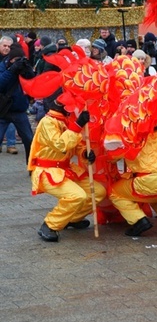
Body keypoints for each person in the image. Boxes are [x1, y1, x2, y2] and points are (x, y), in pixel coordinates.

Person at [28, 89, 107, 242]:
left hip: (65, 169)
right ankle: (50, 224)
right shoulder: (47, 122)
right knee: (76, 196)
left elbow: (76, 146)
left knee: (98, 192)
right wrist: (77, 125)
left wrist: (85, 153)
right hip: (48, 171)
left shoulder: (65, 121)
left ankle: (72, 218)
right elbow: (61, 145)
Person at [109, 124, 157, 237]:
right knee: (155, 193)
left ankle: (139, 220)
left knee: (114, 192)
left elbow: (114, 156)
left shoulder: (131, 128)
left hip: (148, 181)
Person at [0, 43, 35, 164]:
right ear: (11, 59)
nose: (18, 62)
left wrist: (27, 68)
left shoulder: (23, 67)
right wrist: (12, 70)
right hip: (3, 110)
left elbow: (32, 80)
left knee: (29, 139)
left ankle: (31, 166)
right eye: (16, 60)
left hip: (19, 110)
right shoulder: (3, 66)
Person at [0, 36, 18, 155]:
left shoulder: (14, 59)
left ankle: (11, 144)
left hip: (10, 94)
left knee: (10, 119)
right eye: (4, 46)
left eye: (9, 46)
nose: (6, 48)